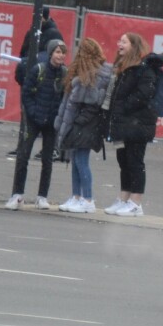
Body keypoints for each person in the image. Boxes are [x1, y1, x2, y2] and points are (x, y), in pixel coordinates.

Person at [104, 33, 162, 218]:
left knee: (135, 161)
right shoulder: (125, 68)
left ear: (134, 46)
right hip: (124, 123)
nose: (119, 44)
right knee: (124, 161)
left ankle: (136, 203)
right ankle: (124, 198)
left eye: (124, 41)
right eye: (119, 40)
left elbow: (144, 94)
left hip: (137, 124)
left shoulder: (143, 69)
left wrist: (124, 106)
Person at [5, 37, 67, 210]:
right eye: (57, 52)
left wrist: (57, 117)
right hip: (34, 120)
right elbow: (26, 94)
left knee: (47, 160)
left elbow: (64, 99)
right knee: (23, 156)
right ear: (50, 53)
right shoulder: (38, 70)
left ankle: (42, 196)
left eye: (63, 52)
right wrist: (33, 113)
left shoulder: (64, 74)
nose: (60, 55)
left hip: (51, 123)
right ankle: (17, 195)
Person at [54, 37, 112, 214]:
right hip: (82, 124)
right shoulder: (86, 72)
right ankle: (76, 196)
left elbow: (92, 103)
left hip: (85, 125)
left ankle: (87, 199)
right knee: (75, 160)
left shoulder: (94, 74)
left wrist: (78, 121)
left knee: (81, 160)